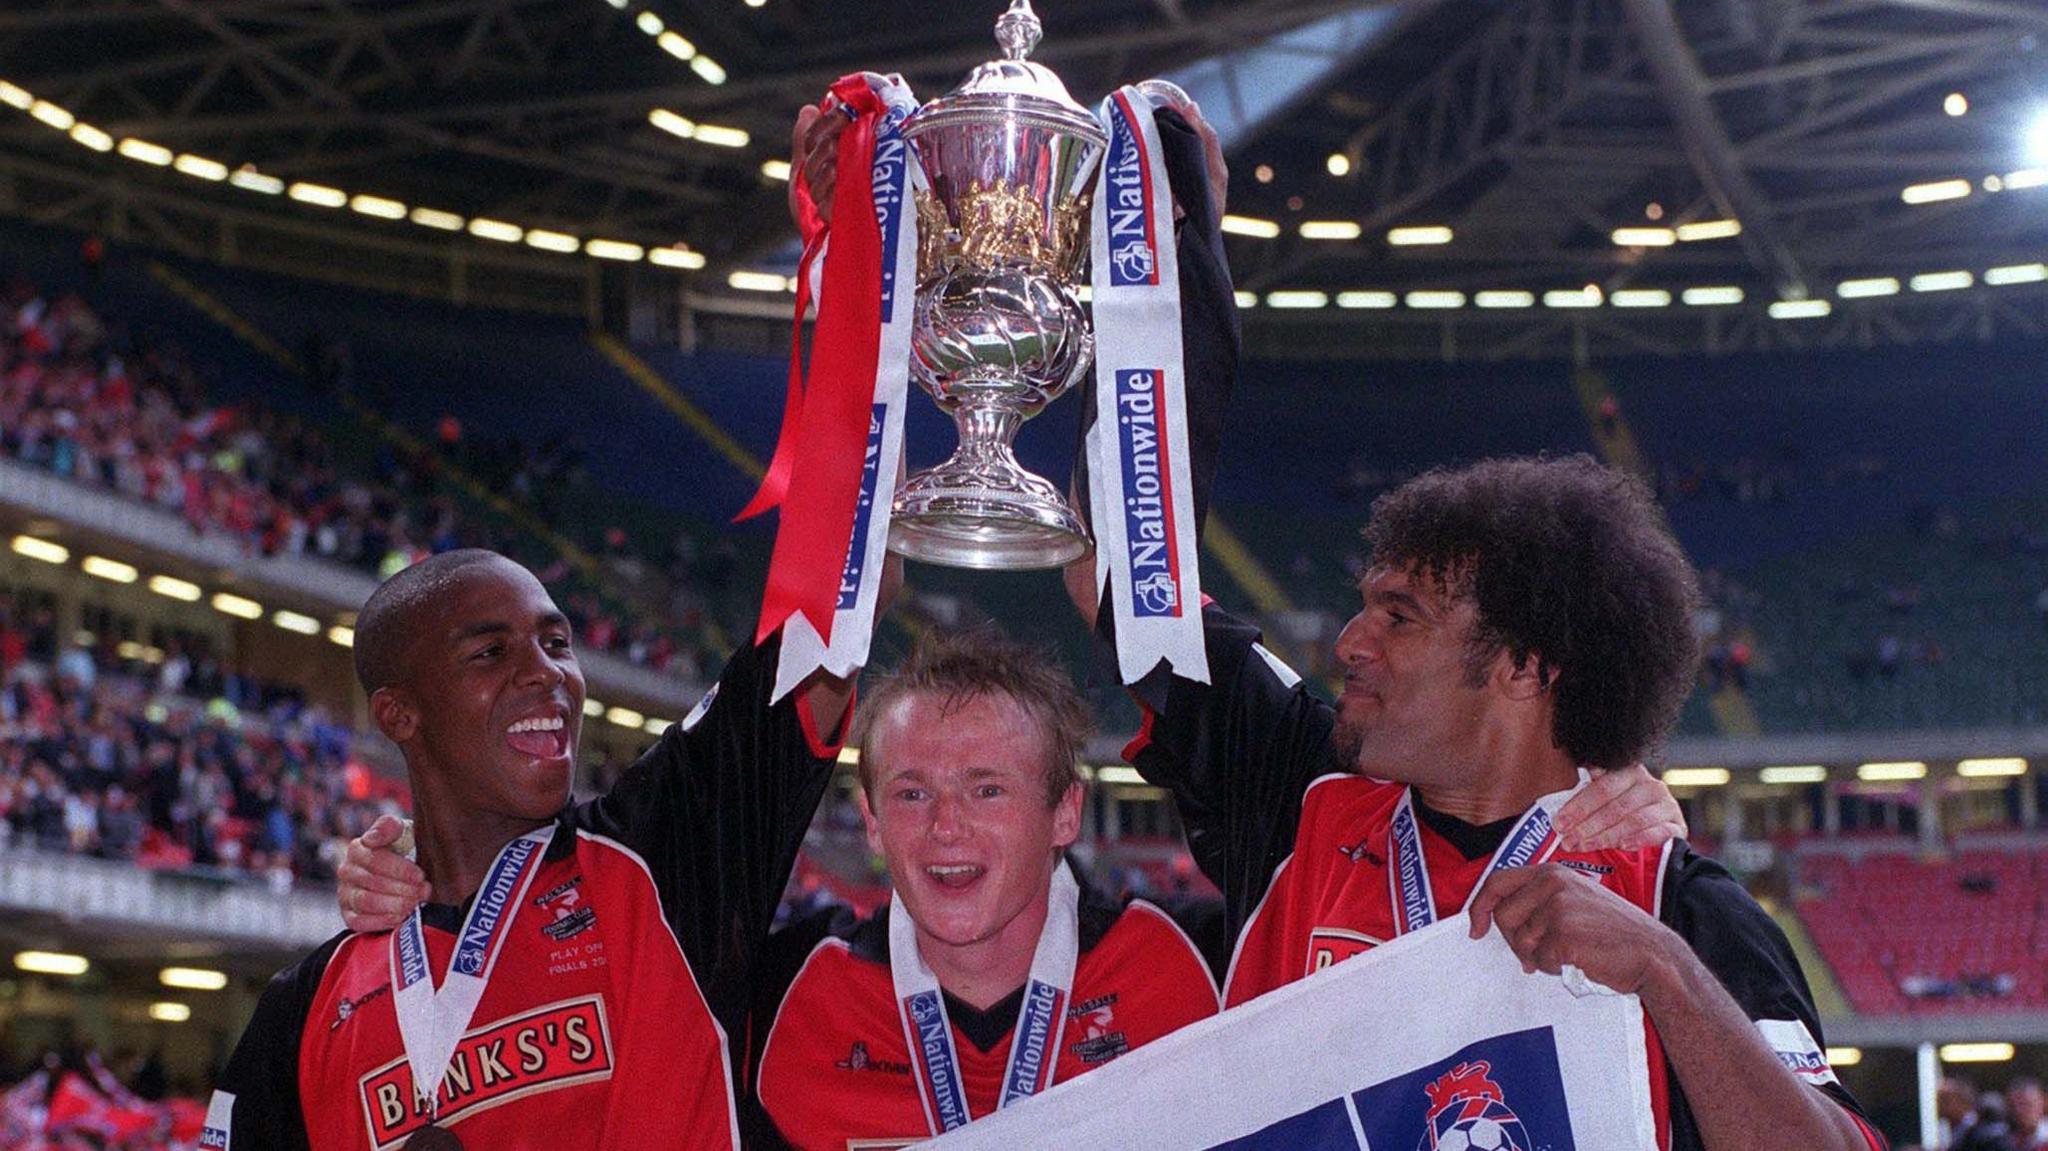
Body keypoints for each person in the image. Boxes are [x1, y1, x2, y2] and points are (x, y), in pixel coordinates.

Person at [1110, 456, 1885, 1150]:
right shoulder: (1299, 795)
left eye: (1399, 614)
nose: (1349, 641)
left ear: (1524, 668)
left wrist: (1665, 973)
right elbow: (1123, 578)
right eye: (1366, 606)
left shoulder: (1674, 906)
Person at [208, 549, 857, 1150]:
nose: (546, 672)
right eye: (491, 651)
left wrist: (861, 429)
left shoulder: (657, 860)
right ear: (399, 714)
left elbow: (835, 602)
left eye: (556, 643)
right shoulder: (307, 1005)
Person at [2006, 1079, 2046, 1151]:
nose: (2018, 1111)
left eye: (2025, 1104)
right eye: (2013, 1106)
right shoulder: (2004, 1140)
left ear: (2043, 1102)